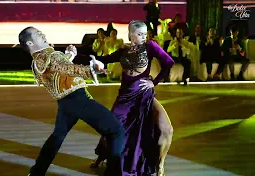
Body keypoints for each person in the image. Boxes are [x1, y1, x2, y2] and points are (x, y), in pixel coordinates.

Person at [18, 26, 125, 176]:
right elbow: (63, 68)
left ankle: (36, 173)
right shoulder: (45, 57)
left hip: (66, 103)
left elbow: (59, 68)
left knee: (57, 137)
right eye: (37, 33)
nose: (42, 33)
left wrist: (69, 56)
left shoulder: (42, 57)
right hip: (77, 100)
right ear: (30, 43)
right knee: (116, 131)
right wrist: (90, 69)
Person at [90, 20, 174, 176]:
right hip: (125, 98)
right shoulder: (123, 51)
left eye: (145, 33)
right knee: (111, 128)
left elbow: (169, 62)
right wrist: (77, 56)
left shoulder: (150, 47)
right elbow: (104, 59)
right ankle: (102, 156)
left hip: (144, 97)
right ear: (131, 34)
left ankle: (160, 165)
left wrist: (153, 82)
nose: (144, 37)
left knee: (166, 129)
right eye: (140, 34)